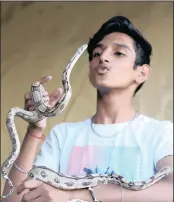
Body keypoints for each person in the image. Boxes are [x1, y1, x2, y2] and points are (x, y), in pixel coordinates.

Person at [2, 16, 173, 202]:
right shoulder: (63, 134)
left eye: (119, 53)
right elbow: (13, 199)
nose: (104, 57)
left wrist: (77, 194)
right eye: (97, 53)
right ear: (90, 68)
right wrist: (34, 130)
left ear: (142, 72)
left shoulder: (160, 133)